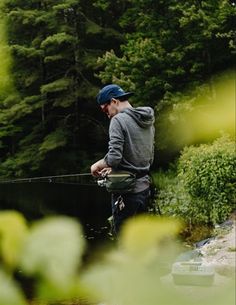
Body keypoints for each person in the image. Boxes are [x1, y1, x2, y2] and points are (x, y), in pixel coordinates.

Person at [90, 84, 155, 235]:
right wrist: (116, 169)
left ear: (114, 101)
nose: (107, 114)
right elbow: (146, 155)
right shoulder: (146, 119)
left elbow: (113, 157)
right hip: (145, 189)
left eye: (105, 109)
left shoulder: (118, 120)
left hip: (127, 193)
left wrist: (96, 166)